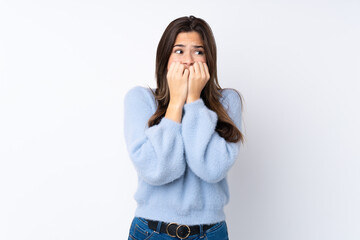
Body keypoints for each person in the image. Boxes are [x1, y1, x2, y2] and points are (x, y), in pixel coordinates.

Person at [124, 15, 244, 240]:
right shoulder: (141, 99)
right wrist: (176, 103)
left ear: (209, 59)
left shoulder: (228, 101)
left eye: (198, 51)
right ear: (165, 57)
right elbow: (157, 170)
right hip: (151, 231)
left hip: (210, 232)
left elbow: (212, 169)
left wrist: (194, 101)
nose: (188, 60)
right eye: (179, 51)